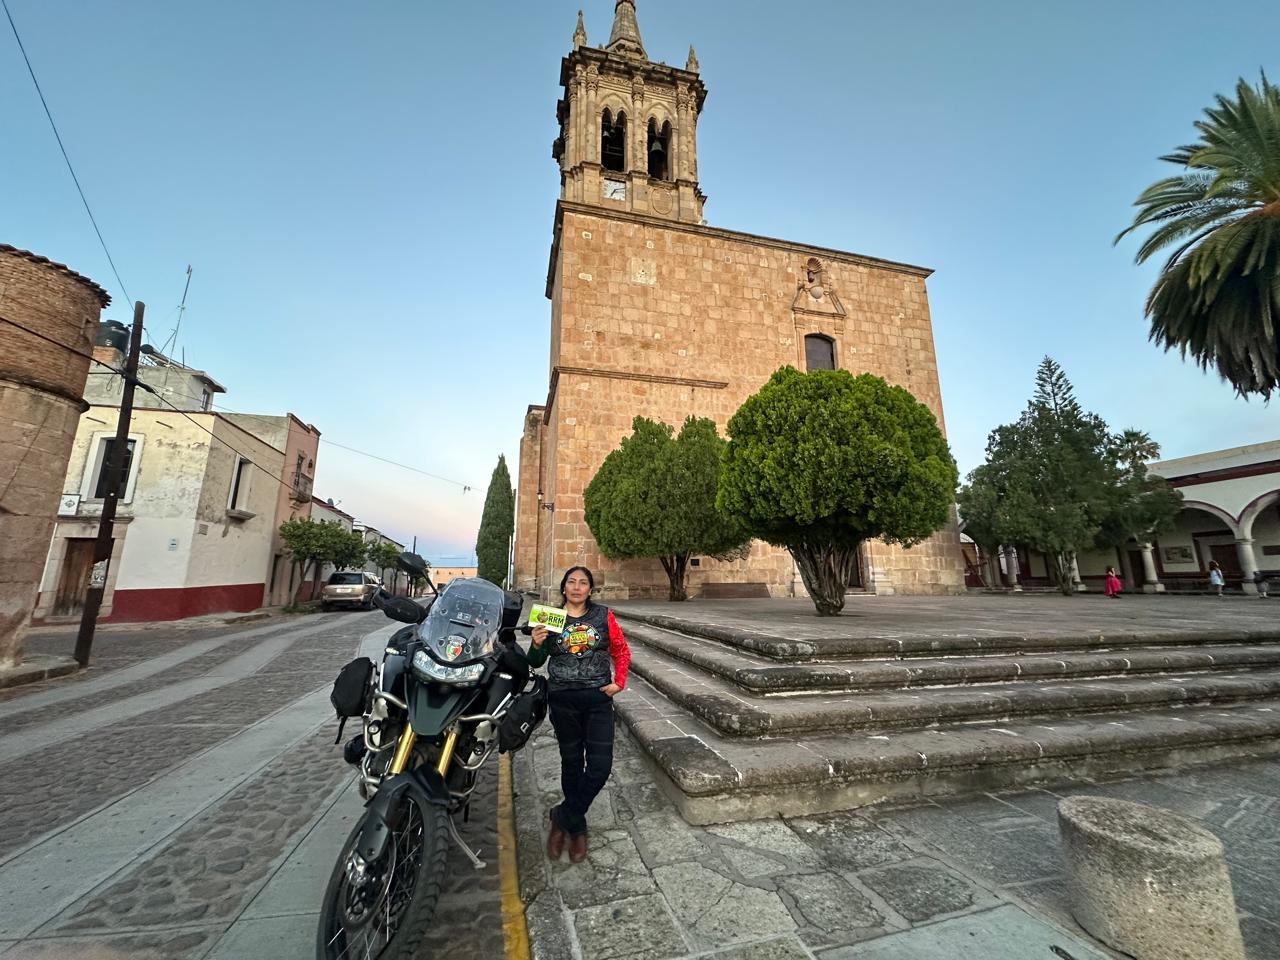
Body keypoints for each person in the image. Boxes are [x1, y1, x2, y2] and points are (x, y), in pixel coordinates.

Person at [526, 566, 630, 864]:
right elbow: (535, 661)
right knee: (571, 762)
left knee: (599, 767)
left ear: (590, 590)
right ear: (563, 588)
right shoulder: (550, 617)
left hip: (597, 699)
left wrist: (619, 682)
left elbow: (621, 650)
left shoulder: (603, 615)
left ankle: (562, 816)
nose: (576, 587)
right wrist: (536, 644)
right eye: (571, 582)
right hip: (563, 699)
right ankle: (577, 827)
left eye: (583, 583)